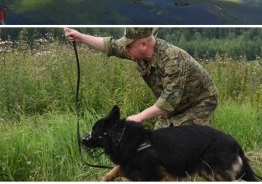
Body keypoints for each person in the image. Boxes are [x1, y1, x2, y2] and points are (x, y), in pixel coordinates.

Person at [65, 27, 218, 129]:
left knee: (181, 146)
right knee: (158, 146)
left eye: (128, 46)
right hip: (173, 107)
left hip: (199, 103)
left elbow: (167, 101)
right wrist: (80, 37)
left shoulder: (173, 60)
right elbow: (109, 45)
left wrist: (138, 117)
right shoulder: (136, 50)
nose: (125, 49)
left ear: (144, 44)